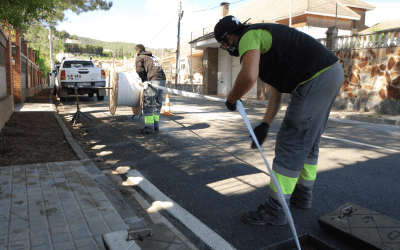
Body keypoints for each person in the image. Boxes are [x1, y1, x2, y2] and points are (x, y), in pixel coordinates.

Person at [214, 16, 344, 226]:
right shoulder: (269, 45)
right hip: (331, 72)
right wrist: (265, 123)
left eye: (223, 45)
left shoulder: (248, 37)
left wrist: (231, 100)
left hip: (316, 77)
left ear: (229, 38)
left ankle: (274, 210)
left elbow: (248, 76)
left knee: (291, 142)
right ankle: (303, 195)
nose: (226, 49)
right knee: (308, 139)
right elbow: (278, 91)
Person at [134, 44, 167, 134]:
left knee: (148, 103)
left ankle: (149, 127)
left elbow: (139, 70)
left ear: (137, 51)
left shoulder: (140, 57)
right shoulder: (152, 57)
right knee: (157, 103)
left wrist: (144, 80)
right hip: (163, 80)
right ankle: (156, 125)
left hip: (153, 79)